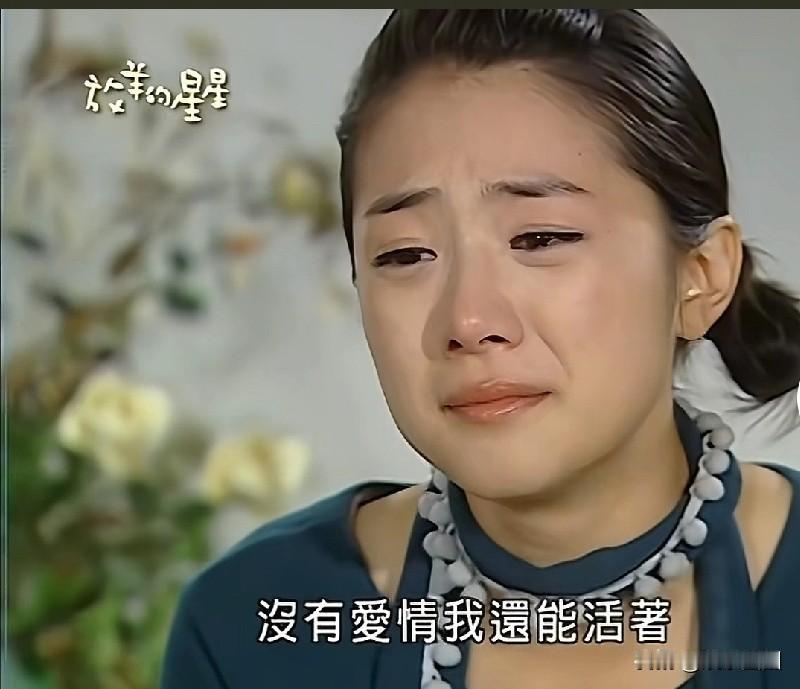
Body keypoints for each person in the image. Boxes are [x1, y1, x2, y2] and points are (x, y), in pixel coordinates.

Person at [160, 10, 800, 688]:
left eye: (540, 238)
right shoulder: (253, 627)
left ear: (701, 276)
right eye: (406, 254)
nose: (468, 319)